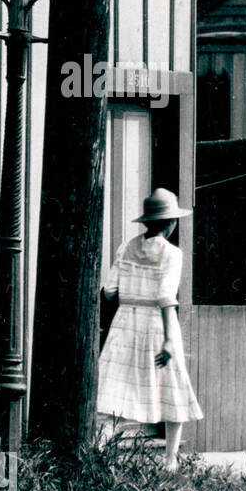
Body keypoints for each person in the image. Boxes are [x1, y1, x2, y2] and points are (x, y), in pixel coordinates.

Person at [97, 188, 204, 471]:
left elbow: (109, 292)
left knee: (113, 389)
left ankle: (102, 458)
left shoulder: (126, 246)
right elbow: (167, 297)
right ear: (170, 223)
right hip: (158, 323)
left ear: (147, 221)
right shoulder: (172, 253)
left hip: (125, 323)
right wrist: (170, 340)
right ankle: (170, 459)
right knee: (173, 388)